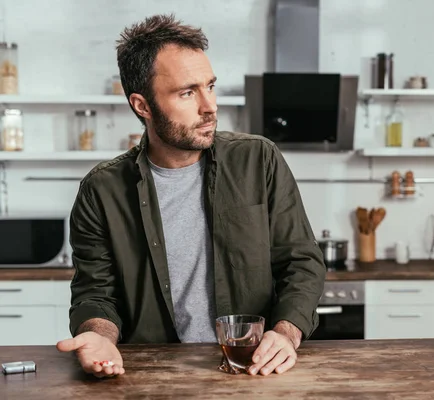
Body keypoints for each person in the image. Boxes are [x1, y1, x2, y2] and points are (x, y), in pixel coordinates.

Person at [55, 14, 326, 379]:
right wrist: (98, 336)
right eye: (187, 92)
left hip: (253, 371)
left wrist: (285, 333)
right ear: (143, 106)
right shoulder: (101, 190)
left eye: (210, 86)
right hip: (150, 378)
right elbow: (95, 292)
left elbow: (302, 262)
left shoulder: (258, 159)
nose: (209, 106)